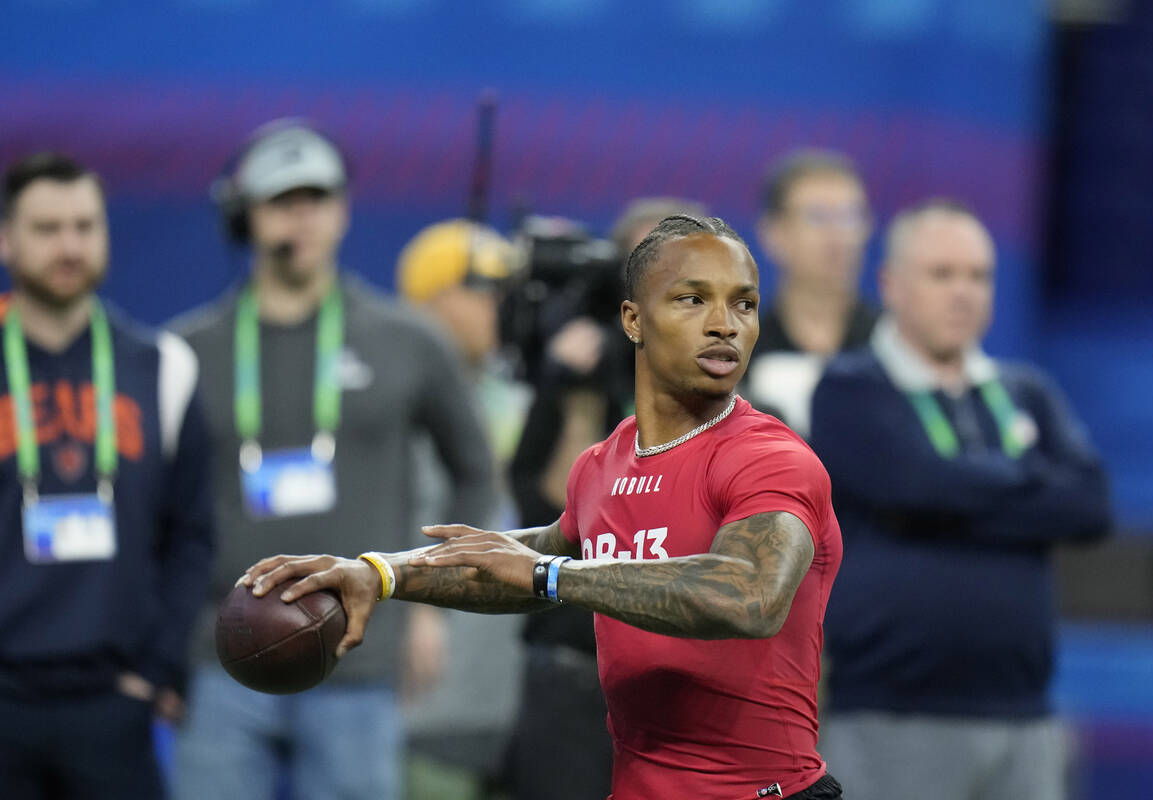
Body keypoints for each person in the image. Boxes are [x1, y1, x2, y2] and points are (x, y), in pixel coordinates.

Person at [243, 214, 845, 800]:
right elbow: (521, 563)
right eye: (692, 299)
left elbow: (751, 595)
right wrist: (381, 573)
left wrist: (547, 574)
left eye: (744, 304)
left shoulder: (771, 458)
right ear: (632, 319)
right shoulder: (602, 464)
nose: (725, 325)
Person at [170, 121, 495, 800]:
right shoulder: (188, 351)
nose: (302, 214)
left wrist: (430, 599)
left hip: (359, 651)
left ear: (344, 209)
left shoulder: (407, 340)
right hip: (217, 655)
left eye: (317, 196)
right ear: (242, 216)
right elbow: (153, 508)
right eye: (281, 199)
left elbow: (474, 466)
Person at [808, 199, 1111, 800]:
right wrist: (1025, 482)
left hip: (1025, 719)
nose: (963, 292)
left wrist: (952, 491)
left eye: (978, 275)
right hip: (890, 717)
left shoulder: (1028, 391)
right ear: (892, 284)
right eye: (942, 274)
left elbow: (1089, 505)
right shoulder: (850, 388)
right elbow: (911, 484)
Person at [0, 153, 213, 799]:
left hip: (115, 700)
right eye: (47, 228)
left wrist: (159, 669)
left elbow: (191, 535)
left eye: (85, 226)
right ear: (6, 237)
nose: (69, 245)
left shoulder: (163, 368)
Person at [505, 197, 705, 800]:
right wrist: (581, 392)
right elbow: (558, 510)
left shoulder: (733, 378)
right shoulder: (573, 369)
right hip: (575, 665)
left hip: (691, 676)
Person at [394, 219, 528, 782]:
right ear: (428, 300)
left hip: (513, 689)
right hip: (428, 691)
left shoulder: (519, 395)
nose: (497, 306)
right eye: (480, 289)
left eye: (506, 292)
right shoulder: (387, 403)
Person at [744, 149, 878, 435]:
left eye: (849, 217)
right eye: (817, 217)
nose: (837, 236)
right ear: (773, 233)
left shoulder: (893, 343)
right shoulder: (741, 345)